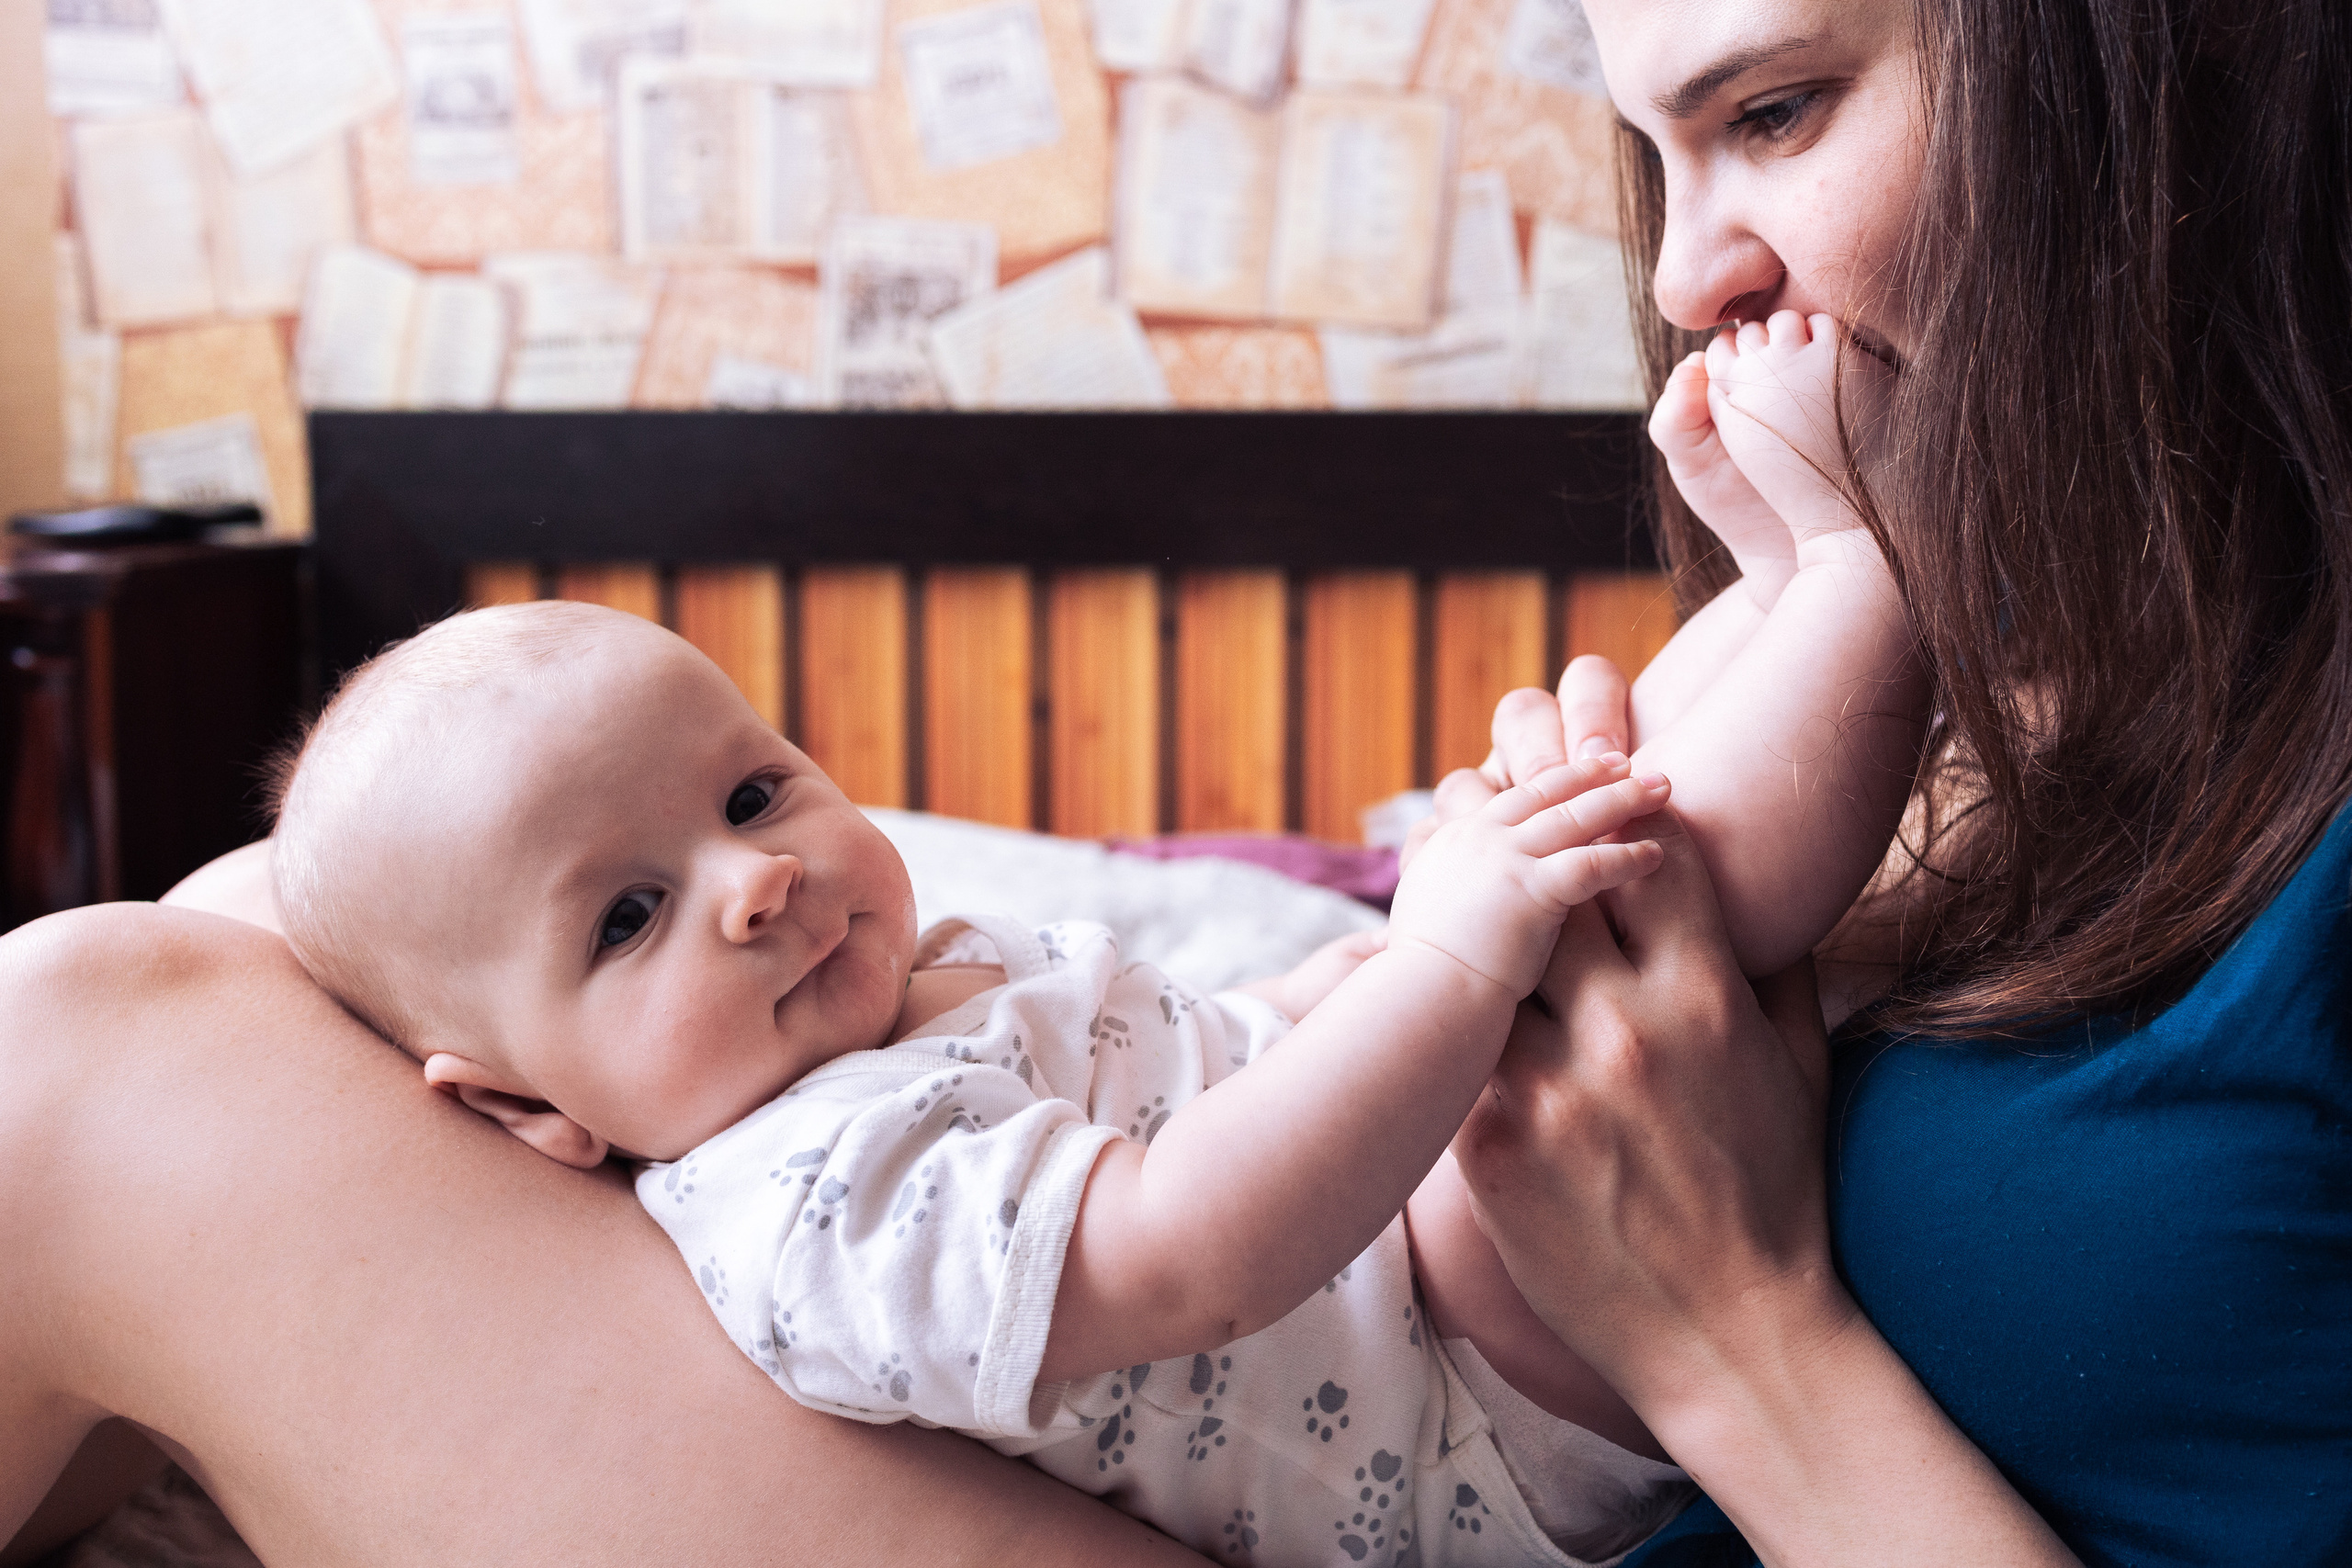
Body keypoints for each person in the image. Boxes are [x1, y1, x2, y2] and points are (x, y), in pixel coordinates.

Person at [4, 0, 2344, 1561]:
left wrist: (1730, 1332)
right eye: (1657, 148)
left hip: (1519, 1437)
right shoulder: (2122, 635)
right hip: (1397, 1369)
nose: (1693, 273)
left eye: (1774, 106)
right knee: (228, 929)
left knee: (71, 1067)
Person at [253, 316, 1904, 1568]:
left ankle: (1775, 589)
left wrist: (1331, 985)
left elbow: (1181, 1052)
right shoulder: (811, 1205)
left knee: (1577, 817)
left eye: (754, 794)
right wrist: (1443, 968)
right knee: (1612, 909)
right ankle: (1869, 575)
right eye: (628, 916)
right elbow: (1191, 1242)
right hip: (1455, 1417)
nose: (750, 880)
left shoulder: (916, 981)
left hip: (1403, 1267)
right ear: (529, 1109)